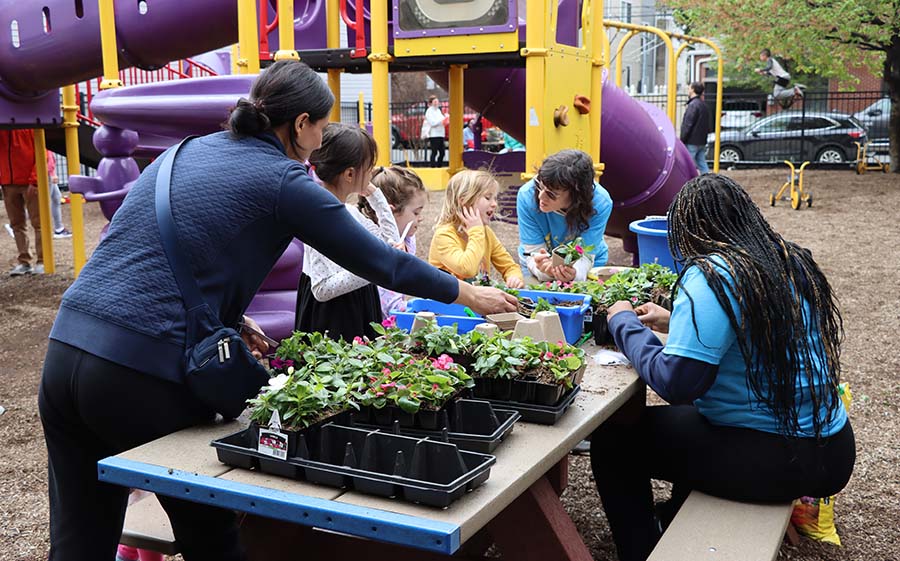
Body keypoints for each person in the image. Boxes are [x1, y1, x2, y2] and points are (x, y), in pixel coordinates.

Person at [38, 59, 516, 561]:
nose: (323, 138)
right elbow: (381, 262)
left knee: (79, 539)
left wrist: (224, 315)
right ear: (301, 126)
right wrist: (467, 293)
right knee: (213, 534)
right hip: (138, 371)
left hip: (67, 346)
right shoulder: (284, 179)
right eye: (323, 125)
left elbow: (134, 250)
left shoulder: (181, 152)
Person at [590, 174, 855, 561]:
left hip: (779, 459)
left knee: (614, 443)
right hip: (831, 450)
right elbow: (758, 333)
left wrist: (623, 322)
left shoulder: (713, 274)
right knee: (685, 426)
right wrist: (672, 322)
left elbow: (678, 383)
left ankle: (641, 550)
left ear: (689, 230)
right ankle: (674, 517)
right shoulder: (786, 257)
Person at [296, 123, 398, 341]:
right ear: (350, 174)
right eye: (370, 167)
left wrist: (376, 196)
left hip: (358, 304)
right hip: (333, 317)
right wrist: (373, 269)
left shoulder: (349, 211)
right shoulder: (317, 218)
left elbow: (391, 244)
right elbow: (322, 289)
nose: (372, 173)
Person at [516, 149, 613, 282]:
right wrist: (545, 271)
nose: (540, 196)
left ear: (576, 196)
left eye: (551, 194)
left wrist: (575, 275)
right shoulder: (527, 196)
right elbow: (533, 252)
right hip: (536, 262)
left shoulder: (601, 202)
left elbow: (586, 256)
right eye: (540, 186)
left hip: (588, 263)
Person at [428, 169, 524, 288]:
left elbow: (509, 266)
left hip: (475, 300)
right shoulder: (444, 235)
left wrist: (514, 277)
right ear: (464, 201)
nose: (494, 204)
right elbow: (467, 269)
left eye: (495, 198)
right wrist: (476, 231)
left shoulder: (486, 233)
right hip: (446, 303)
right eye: (488, 197)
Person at [358, 166, 428, 317]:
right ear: (389, 212)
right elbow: (389, 305)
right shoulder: (373, 245)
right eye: (416, 212)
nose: (420, 218)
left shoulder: (408, 238)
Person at [0, 128, 44, 276]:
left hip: (27, 183)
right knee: (17, 224)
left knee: (39, 223)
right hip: (8, 182)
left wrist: (35, 179)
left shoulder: (30, 127)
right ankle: (25, 261)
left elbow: (42, 153)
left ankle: (42, 260)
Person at [680, 82, 710, 175]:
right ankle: (708, 181)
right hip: (701, 140)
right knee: (702, 163)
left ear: (693, 90)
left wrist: (682, 139)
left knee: (688, 165)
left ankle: (689, 183)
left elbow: (688, 124)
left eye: (689, 88)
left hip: (691, 141)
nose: (688, 90)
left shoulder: (693, 105)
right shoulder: (704, 105)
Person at [46, 150, 73, 238]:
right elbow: (48, 159)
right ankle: (16, 223)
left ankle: (59, 228)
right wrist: (52, 174)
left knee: (56, 198)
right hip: (47, 174)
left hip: (48, 174)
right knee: (42, 203)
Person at [423, 95, 447, 167]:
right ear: (431, 103)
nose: (437, 103)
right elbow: (433, 123)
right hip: (434, 135)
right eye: (435, 101)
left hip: (441, 134)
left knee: (442, 152)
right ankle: (432, 166)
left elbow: (442, 120)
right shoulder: (429, 111)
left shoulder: (438, 110)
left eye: (437, 101)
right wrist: (442, 120)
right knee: (434, 152)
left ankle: (439, 165)